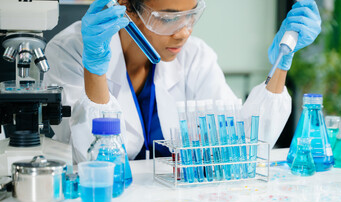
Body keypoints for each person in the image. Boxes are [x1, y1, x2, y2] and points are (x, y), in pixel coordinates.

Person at [43, 0, 321, 162]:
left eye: (191, 14)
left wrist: (283, 60)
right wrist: (94, 69)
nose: (184, 32)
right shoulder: (73, 49)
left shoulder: (195, 55)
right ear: (127, 9)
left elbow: (246, 144)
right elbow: (89, 158)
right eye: (169, 18)